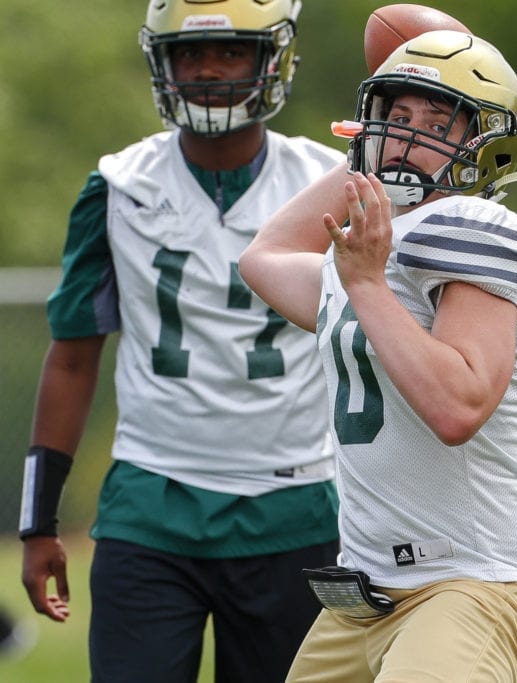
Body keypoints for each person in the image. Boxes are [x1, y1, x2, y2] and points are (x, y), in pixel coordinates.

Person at [18, 1, 344, 681]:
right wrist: (38, 518)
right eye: (189, 54)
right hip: (152, 504)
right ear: (160, 64)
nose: (207, 70)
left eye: (231, 52)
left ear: (271, 61)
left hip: (294, 503)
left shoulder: (329, 185)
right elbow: (74, 354)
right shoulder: (118, 185)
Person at [238, 29, 517, 682]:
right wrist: (358, 165)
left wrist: (367, 284)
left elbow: (459, 404)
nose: (411, 138)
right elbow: (262, 258)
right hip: (365, 593)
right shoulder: (368, 253)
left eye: (437, 122)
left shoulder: (479, 226)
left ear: (486, 144)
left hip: (464, 581)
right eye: (396, 118)